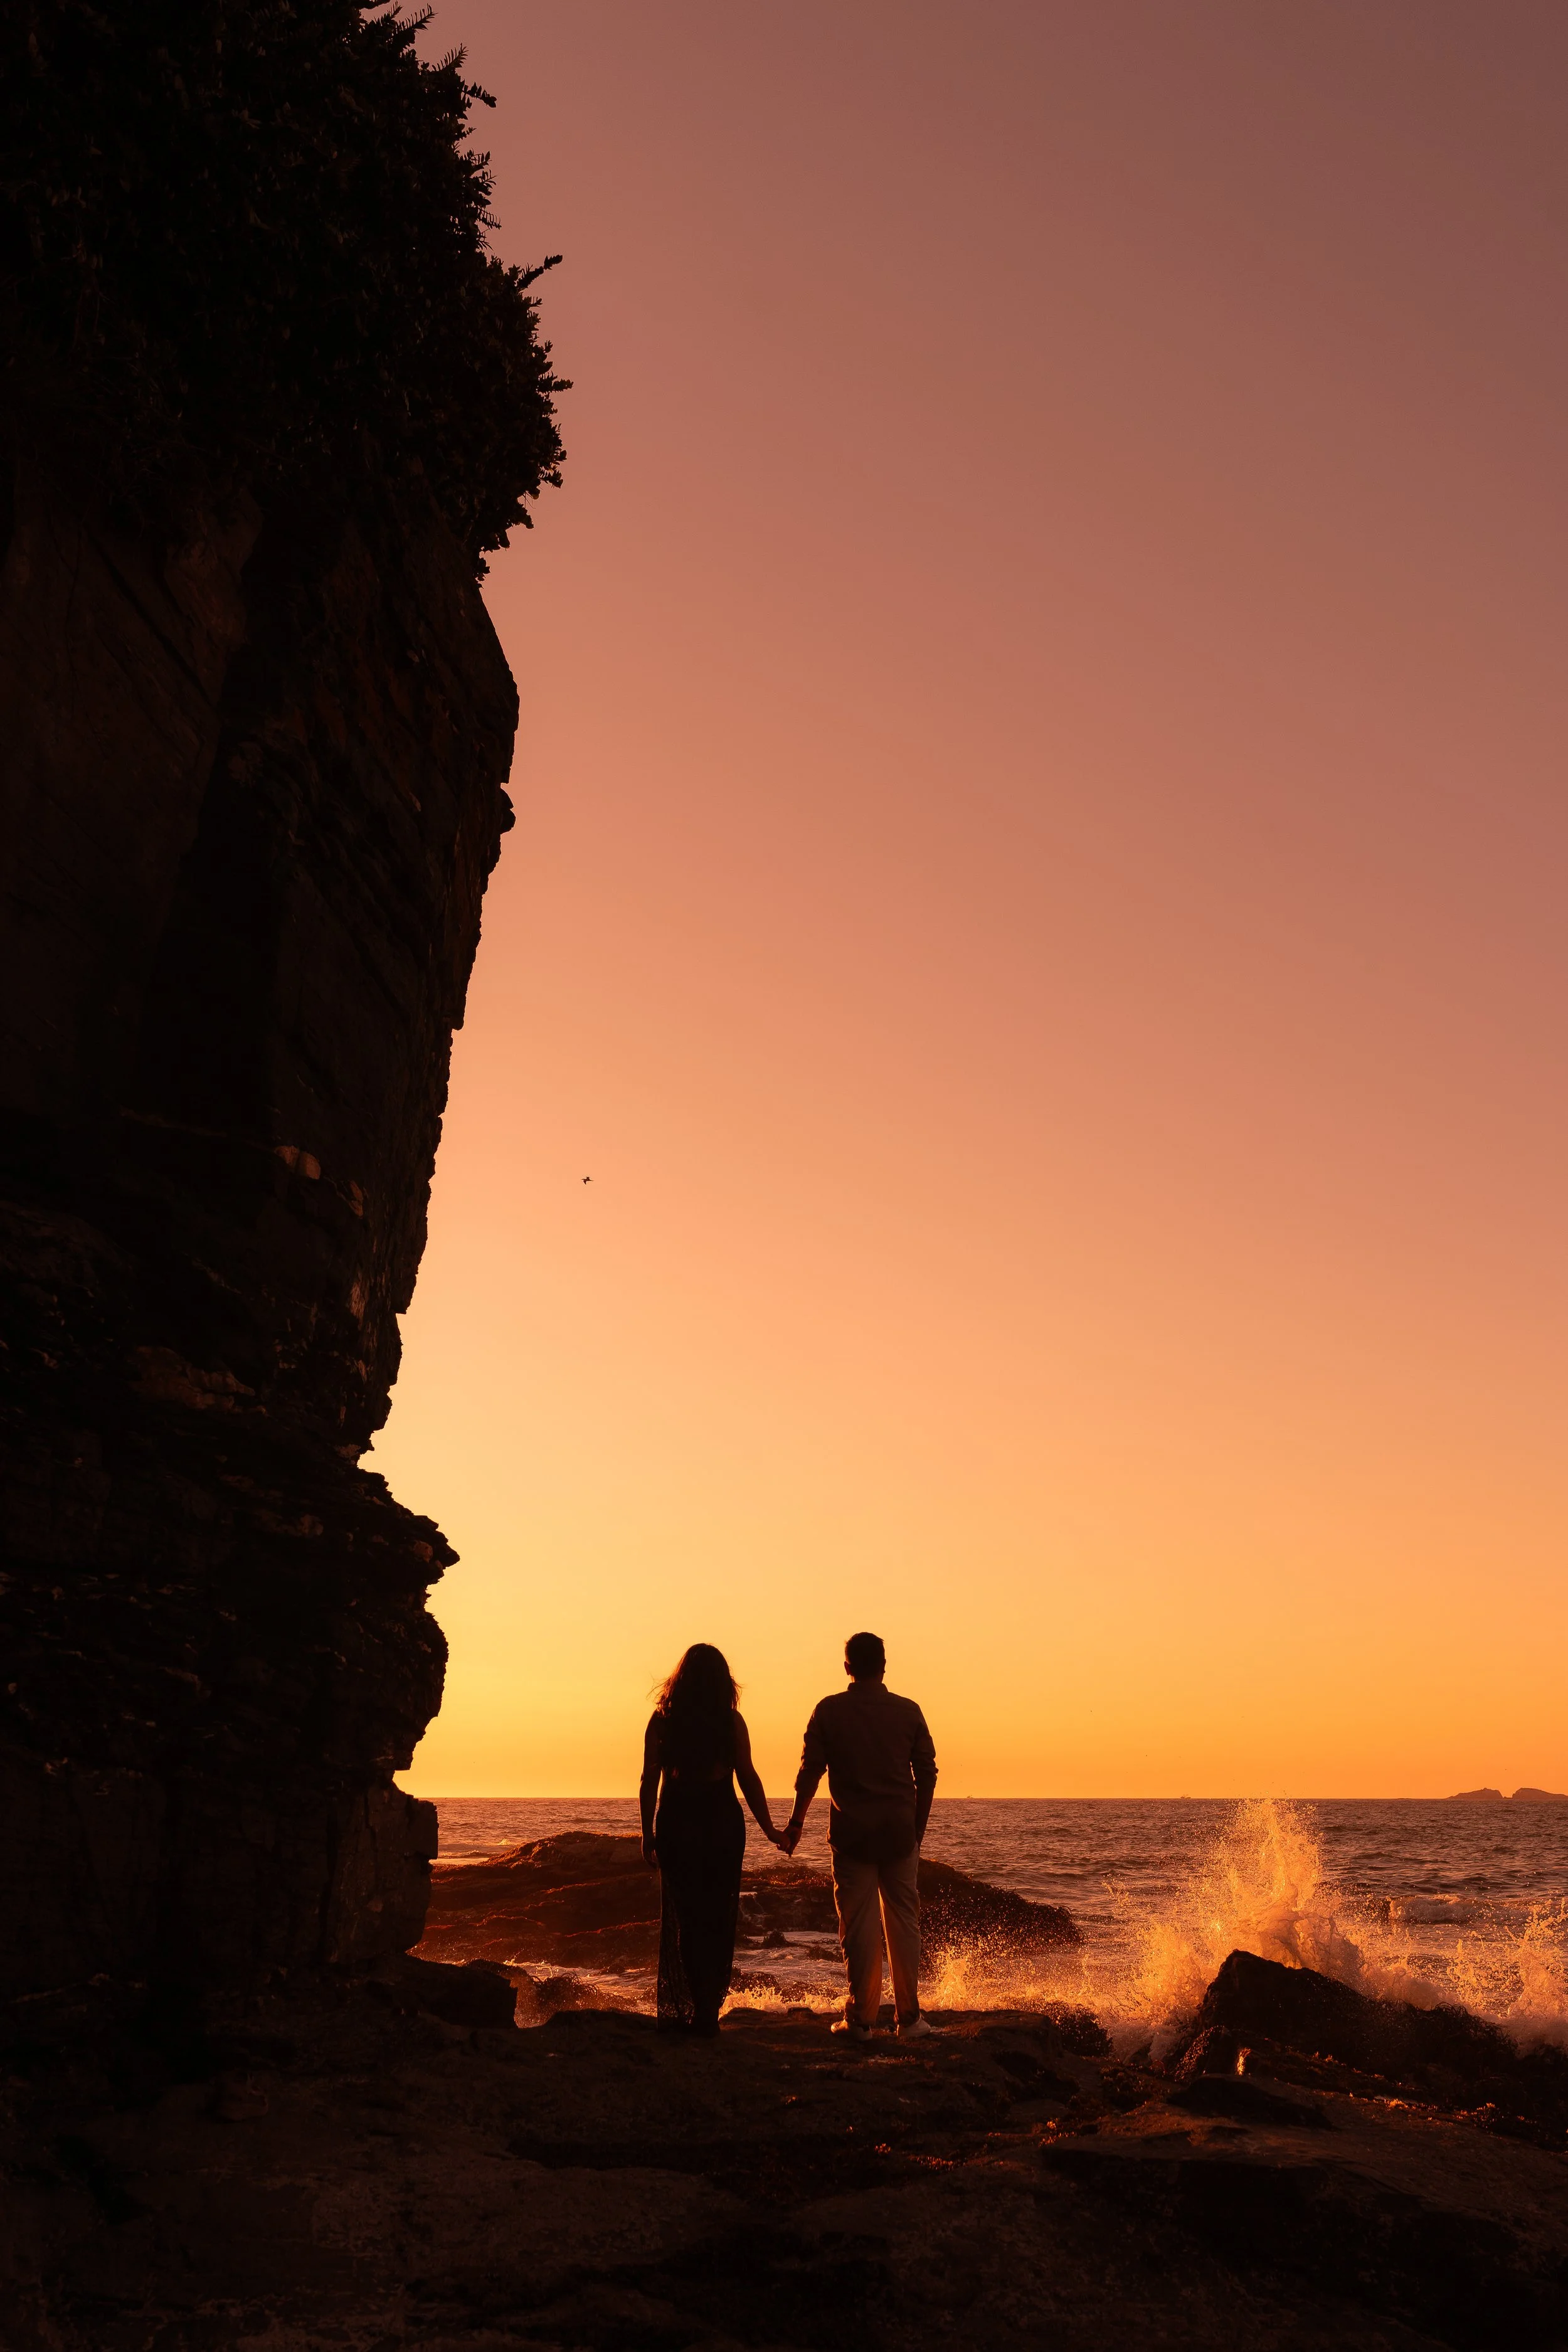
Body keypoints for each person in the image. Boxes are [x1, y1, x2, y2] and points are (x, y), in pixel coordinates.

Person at [782, 1631, 938, 2040]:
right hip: (899, 1833)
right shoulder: (908, 1711)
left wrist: (796, 1823)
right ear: (884, 1665)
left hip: (852, 1835)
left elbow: (810, 1772)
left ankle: (862, 2020)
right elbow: (927, 1774)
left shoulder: (829, 1712)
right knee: (904, 1923)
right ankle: (909, 2019)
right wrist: (917, 1829)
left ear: (848, 1666)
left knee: (859, 1928)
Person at [640, 1643, 785, 2035]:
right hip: (721, 1822)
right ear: (724, 1681)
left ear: (679, 1680)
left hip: (677, 1821)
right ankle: (708, 2008)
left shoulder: (663, 1720)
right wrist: (771, 1829)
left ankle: (696, 2005)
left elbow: (649, 1779)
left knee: (685, 1918)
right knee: (718, 1916)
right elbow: (748, 1777)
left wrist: (646, 1834)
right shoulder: (730, 1721)